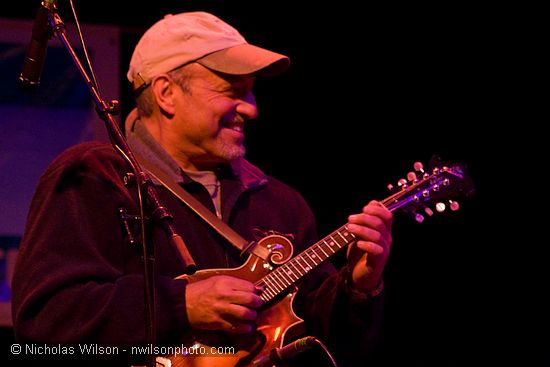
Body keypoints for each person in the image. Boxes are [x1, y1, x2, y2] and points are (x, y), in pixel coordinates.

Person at [11, 11, 393, 367]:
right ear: (166, 93)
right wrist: (182, 304)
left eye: (252, 92)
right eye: (232, 90)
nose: (252, 108)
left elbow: (334, 345)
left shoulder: (279, 202)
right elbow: (43, 325)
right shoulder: (92, 177)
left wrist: (359, 288)